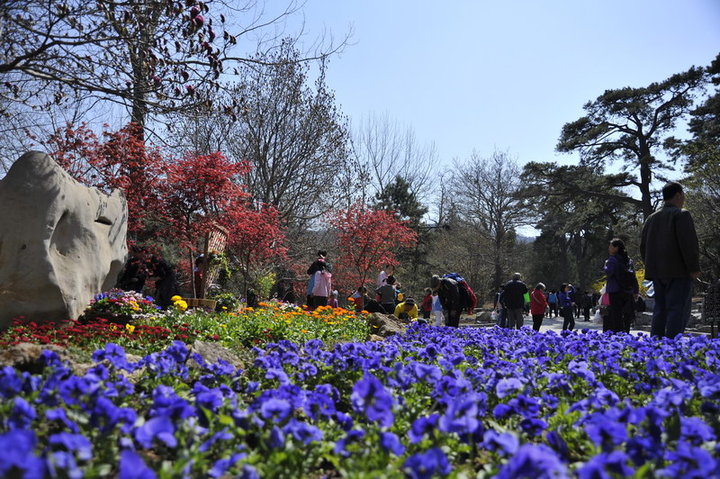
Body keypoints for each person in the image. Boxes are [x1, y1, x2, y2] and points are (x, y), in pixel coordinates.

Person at [640, 182, 701, 338]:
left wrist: (651, 266)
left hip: (657, 273)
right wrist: (693, 268)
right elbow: (688, 244)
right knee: (677, 310)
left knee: (660, 309)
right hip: (678, 272)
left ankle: (657, 344)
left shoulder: (651, 218)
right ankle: (673, 347)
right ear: (678, 195)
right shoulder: (681, 214)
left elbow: (643, 247)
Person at [604, 238, 639, 333]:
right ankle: (626, 333)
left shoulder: (612, 260)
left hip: (615, 290)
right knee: (627, 314)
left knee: (616, 315)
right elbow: (633, 277)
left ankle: (617, 334)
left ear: (616, 248)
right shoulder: (629, 260)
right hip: (627, 291)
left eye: (611, 246)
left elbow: (609, 272)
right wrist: (636, 291)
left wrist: (606, 265)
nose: (609, 248)